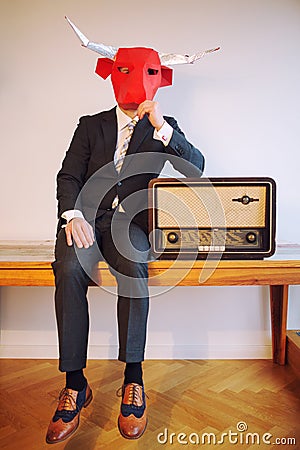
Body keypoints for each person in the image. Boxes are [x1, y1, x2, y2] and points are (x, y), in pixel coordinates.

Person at [46, 18, 208, 444]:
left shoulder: (163, 126)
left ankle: (132, 379)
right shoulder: (90, 125)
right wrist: (71, 215)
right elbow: (68, 176)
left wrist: (162, 129)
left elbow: (197, 169)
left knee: (135, 268)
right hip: (85, 222)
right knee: (66, 270)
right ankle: (75, 384)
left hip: (132, 226)